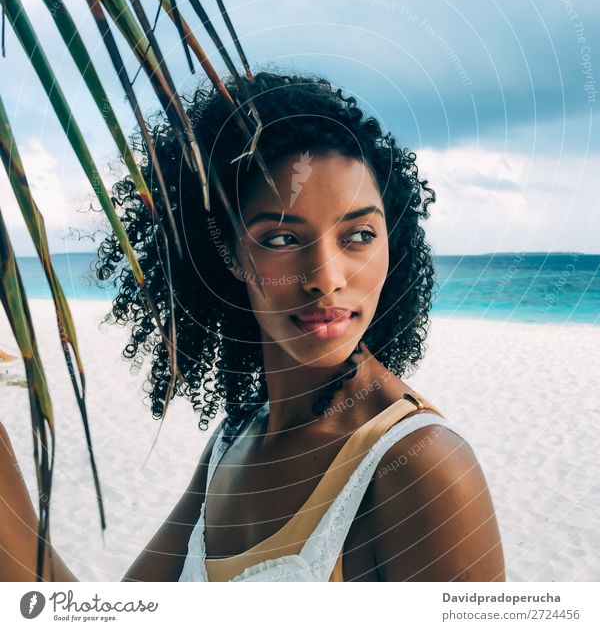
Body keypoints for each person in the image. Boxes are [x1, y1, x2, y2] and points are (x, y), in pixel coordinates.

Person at [0, 69, 505, 582]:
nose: (326, 280)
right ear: (225, 256)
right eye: (282, 239)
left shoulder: (422, 467)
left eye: (359, 234)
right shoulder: (234, 440)